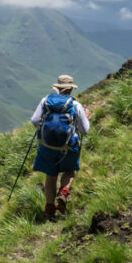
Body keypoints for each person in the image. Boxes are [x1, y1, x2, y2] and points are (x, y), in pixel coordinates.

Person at [30, 74, 91, 219]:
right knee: (69, 170)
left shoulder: (45, 101)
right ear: (70, 89)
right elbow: (84, 130)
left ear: (57, 88)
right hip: (68, 147)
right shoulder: (75, 105)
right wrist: (86, 117)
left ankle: (49, 209)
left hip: (47, 146)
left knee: (50, 176)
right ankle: (63, 192)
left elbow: (34, 121)